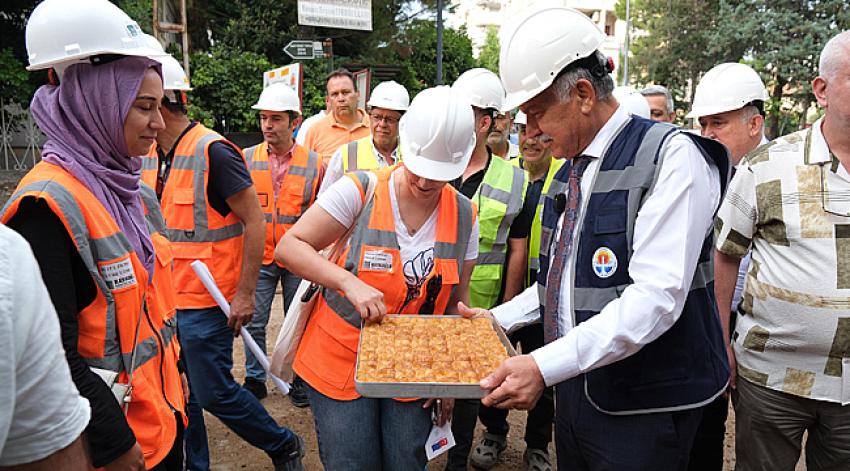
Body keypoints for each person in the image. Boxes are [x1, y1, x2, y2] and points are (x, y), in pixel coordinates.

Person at [462, 7, 731, 470]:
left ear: (583, 94)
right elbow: (559, 281)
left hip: (646, 408)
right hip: (580, 391)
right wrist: (495, 319)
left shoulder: (671, 158)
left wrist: (543, 366)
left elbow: (656, 298)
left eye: (538, 113)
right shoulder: (571, 171)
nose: (533, 133)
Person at [2, 1, 188, 469]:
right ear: (95, 105)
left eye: (159, 106)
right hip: (116, 450)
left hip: (162, 424)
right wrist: (116, 444)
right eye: (144, 107)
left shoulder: (131, 193)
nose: (159, 124)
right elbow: (53, 362)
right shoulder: (44, 210)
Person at [276, 85, 479, 470]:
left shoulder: (465, 216)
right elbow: (290, 246)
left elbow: (456, 304)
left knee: (406, 459)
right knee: (353, 461)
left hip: (413, 366)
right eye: (418, 171)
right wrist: (348, 282)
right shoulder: (360, 189)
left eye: (437, 177)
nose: (423, 184)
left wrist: (449, 379)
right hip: (339, 358)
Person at [141, 49, 304, 471]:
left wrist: (245, 295)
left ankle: (282, 443)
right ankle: (196, 464)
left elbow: (255, 221)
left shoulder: (213, 151)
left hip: (208, 302)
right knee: (180, 392)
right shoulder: (149, 154)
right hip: (166, 302)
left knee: (211, 392)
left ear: (161, 100)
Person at [713, 30, 850, 471]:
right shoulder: (768, 165)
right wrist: (721, 341)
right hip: (771, 380)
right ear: (821, 90)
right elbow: (726, 253)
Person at [446, 67, 533, 471]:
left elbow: (518, 249)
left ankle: (457, 460)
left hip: (478, 306)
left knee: (467, 388)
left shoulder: (516, 181)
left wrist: (509, 308)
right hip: (426, 297)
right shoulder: (434, 164)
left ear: (486, 122)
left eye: (467, 113)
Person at [684, 61, 769, 471]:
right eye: (703, 123)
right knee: (707, 420)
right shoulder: (700, 173)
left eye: (718, 122)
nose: (707, 134)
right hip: (707, 317)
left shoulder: (783, 175)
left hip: (763, 329)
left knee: (760, 435)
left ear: (755, 123)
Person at [472, 109, 560, 471]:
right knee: (493, 367)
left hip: (547, 296)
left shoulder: (565, 177)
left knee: (545, 370)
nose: (530, 141)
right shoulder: (507, 176)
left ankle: (538, 443)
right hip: (507, 293)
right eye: (524, 132)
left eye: (540, 134)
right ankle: (493, 432)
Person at [241, 83, 323, 407]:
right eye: (263, 118)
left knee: (298, 318)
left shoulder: (315, 164)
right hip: (259, 255)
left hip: (297, 257)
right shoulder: (246, 159)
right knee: (254, 318)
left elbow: (320, 211)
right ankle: (253, 378)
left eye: (275, 118)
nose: (267, 126)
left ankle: (297, 378)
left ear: (294, 121)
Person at [0, 224, 91, 470]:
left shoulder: (138, 197)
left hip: (157, 406)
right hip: (118, 409)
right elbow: (51, 452)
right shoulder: (11, 252)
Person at [319, 80, 409, 194]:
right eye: (377, 117)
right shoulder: (346, 154)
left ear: (403, 121)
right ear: (370, 115)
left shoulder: (411, 155)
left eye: (390, 119)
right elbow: (326, 201)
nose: (382, 124)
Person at [301, 68, 371, 163]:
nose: (341, 98)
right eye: (334, 94)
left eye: (346, 92)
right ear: (328, 100)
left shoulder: (375, 128)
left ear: (358, 94)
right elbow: (306, 172)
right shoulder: (315, 131)